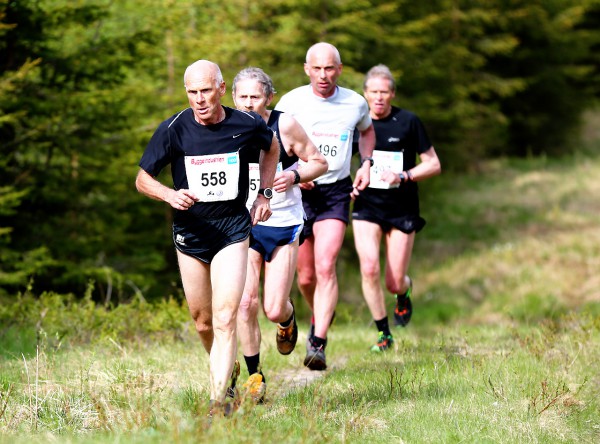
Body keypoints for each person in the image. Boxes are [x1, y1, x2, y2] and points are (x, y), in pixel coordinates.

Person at [135, 60, 279, 415]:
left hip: (232, 230)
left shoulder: (246, 124)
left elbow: (272, 148)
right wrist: (169, 195)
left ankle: (219, 402)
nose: (199, 99)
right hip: (191, 234)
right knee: (202, 321)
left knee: (226, 316)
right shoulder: (173, 129)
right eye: (192, 92)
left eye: (205, 90)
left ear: (221, 88)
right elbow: (142, 178)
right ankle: (226, 370)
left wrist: (264, 194)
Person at [275, 42, 376, 370]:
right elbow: (275, 144)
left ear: (339, 69)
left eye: (329, 68)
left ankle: (318, 341)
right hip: (300, 194)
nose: (323, 75)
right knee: (304, 277)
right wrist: (294, 172)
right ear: (307, 69)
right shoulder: (290, 102)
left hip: (335, 191)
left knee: (325, 265)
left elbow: (368, 131)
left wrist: (367, 162)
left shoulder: (355, 103)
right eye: (317, 68)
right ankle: (319, 315)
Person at [231, 67, 328, 400]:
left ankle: (287, 321)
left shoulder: (284, 124)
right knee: (245, 303)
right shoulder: (227, 127)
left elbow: (318, 162)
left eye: (255, 97)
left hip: (284, 222)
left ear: (268, 97)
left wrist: (296, 174)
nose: (248, 104)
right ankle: (255, 375)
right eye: (242, 97)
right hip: (243, 223)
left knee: (272, 308)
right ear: (233, 98)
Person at [352, 64, 441, 352]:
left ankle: (403, 293)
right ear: (365, 94)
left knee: (393, 281)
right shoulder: (356, 124)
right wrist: (349, 185)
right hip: (367, 206)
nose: (378, 98)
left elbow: (433, 164)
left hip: (402, 207)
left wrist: (403, 175)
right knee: (368, 268)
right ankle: (384, 333)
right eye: (373, 92)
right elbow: (337, 162)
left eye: (384, 92)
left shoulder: (408, 121)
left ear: (392, 94)